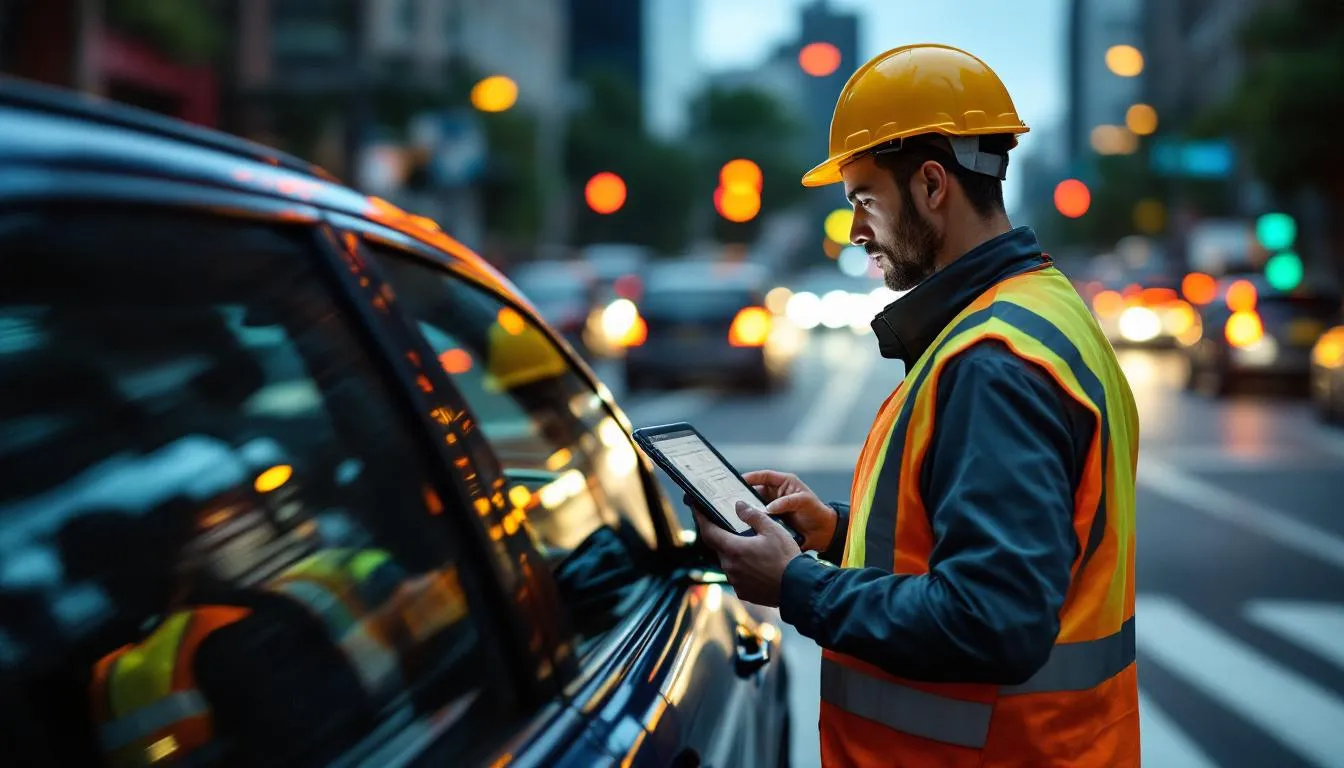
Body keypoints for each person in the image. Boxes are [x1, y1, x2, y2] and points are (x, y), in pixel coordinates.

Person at [691, 44, 1140, 767]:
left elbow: (993, 620)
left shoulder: (992, 361)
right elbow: (997, 544)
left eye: (864, 199)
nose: (856, 230)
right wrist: (834, 531)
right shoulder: (1040, 307)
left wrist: (798, 584)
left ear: (932, 185)